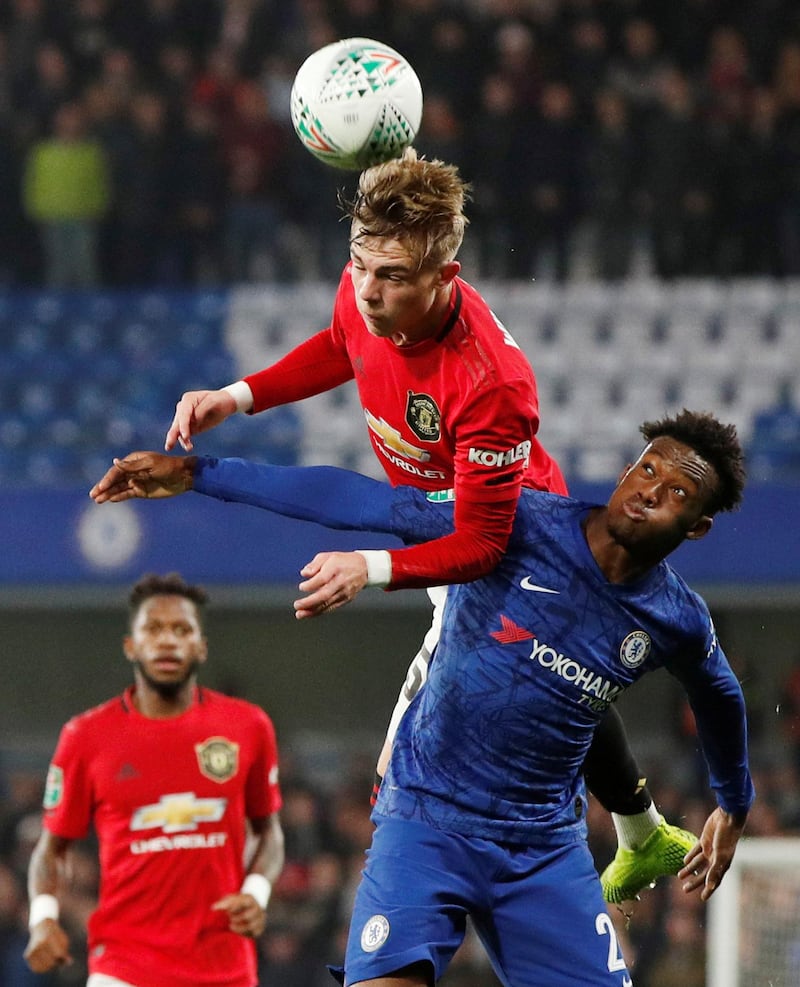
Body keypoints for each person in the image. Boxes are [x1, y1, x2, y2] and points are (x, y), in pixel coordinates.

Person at [157, 146, 696, 902]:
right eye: (359, 268)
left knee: (402, 775)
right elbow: (342, 342)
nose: (368, 291)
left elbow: (482, 542)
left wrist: (367, 567)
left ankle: (450, 932)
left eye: (391, 277)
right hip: (438, 526)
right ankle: (641, 833)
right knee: (556, 692)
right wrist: (239, 395)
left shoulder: (491, 383)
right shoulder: (368, 284)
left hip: (517, 546)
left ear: (446, 276)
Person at [90, 409, 755, 986]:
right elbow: (357, 501)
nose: (649, 492)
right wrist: (198, 472)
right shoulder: (517, 519)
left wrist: (733, 799)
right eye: (646, 470)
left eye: (676, 491)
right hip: (427, 819)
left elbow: (720, 695)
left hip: (543, 848)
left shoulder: (676, 617)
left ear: (695, 525)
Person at [23, 572, 285, 987]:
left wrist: (256, 893)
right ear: (131, 645)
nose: (168, 641)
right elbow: (51, 849)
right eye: (154, 629)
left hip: (225, 965)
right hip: (124, 965)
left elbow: (269, 831)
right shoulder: (86, 736)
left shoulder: (247, 726)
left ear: (201, 647)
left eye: (182, 629)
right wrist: (42, 920)